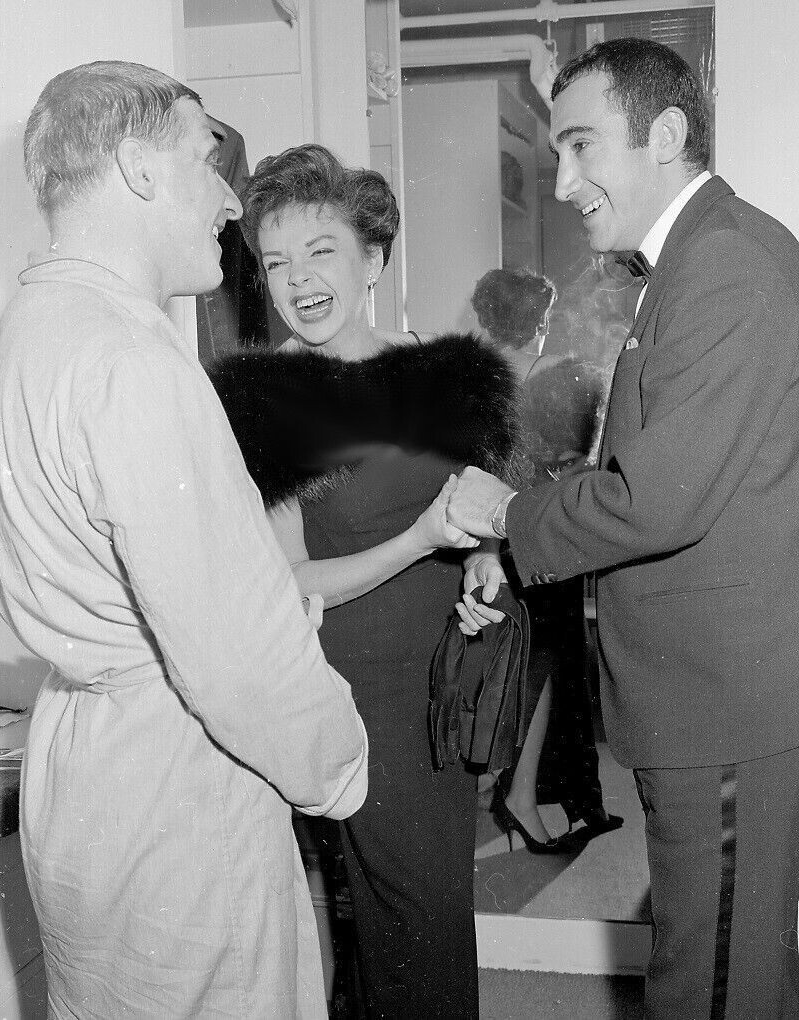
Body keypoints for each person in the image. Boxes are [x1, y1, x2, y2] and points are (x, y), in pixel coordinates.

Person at [0, 62, 369, 1018]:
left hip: (87, 772)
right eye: (208, 161)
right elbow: (235, 656)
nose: (232, 203)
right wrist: (339, 766)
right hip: (175, 797)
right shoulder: (132, 359)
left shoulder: (35, 325)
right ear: (139, 167)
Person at [447, 37, 799, 1020]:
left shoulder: (724, 263)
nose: (563, 182)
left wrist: (506, 514)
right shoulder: (696, 258)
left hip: (721, 699)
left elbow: (653, 497)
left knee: (712, 980)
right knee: (718, 964)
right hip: (706, 694)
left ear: (667, 135)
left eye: (580, 146)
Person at [209, 143, 521, 1018]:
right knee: (413, 914)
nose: (298, 280)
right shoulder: (266, 398)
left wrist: (485, 559)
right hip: (361, 690)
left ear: (374, 259)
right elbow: (293, 579)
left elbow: (483, 506)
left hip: (447, 679)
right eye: (277, 262)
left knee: (420, 913)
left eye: (321, 251)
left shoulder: (448, 370)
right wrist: (421, 540)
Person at [468, 268, 620, 854]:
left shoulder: (475, 377)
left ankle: (506, 788)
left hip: (480, 540)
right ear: (542, 319)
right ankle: (524, 798)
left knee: (499, 665)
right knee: (547, 667)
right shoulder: (564, 374)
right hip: (539, 535)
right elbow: (581, 464)